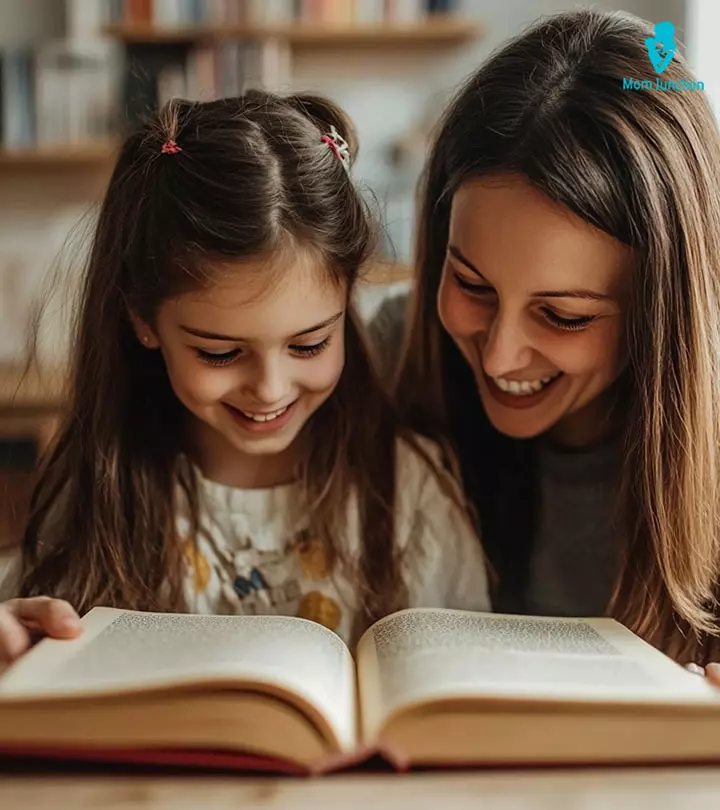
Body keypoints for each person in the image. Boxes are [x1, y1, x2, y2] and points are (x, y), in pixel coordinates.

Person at [0, 92, 489, 662]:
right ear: (142, 319)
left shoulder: (412, 495)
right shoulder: (99, 495)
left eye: (310, 344)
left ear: (349, 305)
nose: (271, 388)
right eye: (220, 354)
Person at [373, 8, 720, 668]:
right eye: (471, 284)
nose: (500, 354)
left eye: (563, 316)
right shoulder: (381, 356)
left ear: (664, 310)